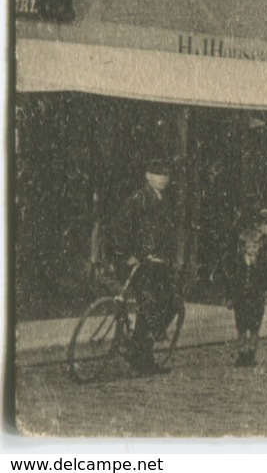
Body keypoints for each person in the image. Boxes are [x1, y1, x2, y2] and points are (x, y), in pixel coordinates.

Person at [112, 157, 180, 375]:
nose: (163, 179)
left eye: (166, 175)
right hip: (139, 263)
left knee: (170, 303)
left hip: (159, 263)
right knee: (149, 306)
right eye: (158, 175)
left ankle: (143, 352)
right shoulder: (138, 199)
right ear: (148, 177)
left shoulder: (165, 200)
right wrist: (128, 254)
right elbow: (120, 228)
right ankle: (140, 355)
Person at [223, 209, 267, 367]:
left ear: (260, 246)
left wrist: (265, 293)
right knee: (241, 328)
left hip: (256, 299)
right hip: (241, 299)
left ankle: (251, 354)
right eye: (249, 245)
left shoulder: (262, 263)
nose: (253, 248)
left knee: (254, 328)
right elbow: (231, 281)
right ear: (244, 247)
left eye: (256, 245)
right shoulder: (238, 263)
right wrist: (229, 298)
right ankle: (242, 354)